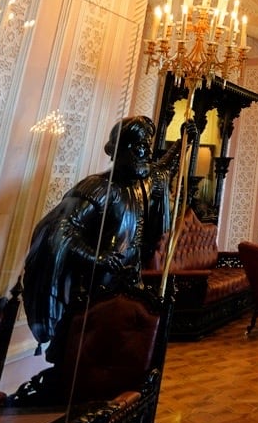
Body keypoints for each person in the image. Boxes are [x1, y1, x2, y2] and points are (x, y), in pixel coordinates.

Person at [22, 114, 189, 347]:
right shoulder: (99, 187)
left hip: (131, 280)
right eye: (141, 146)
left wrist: (184, 140)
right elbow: (60, 229)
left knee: (121, 345)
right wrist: (96, 256)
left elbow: (165, 168)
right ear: (123, 149)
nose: (147, 152)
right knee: (89, 345)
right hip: (97, 284)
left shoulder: (143, 184)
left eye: (147, 145)